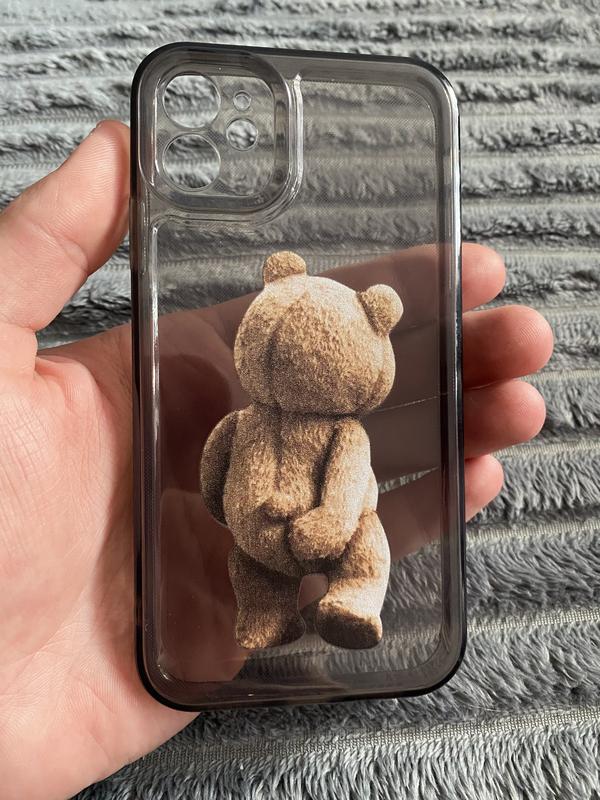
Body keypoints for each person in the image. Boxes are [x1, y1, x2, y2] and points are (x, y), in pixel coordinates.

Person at [0, 120, 554, 800]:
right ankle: (270, 614)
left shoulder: (348, 436)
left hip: (331, 530)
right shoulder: (246, 421)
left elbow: (348, 488)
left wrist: (328, 521)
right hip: (257, 541)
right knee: (250, 571)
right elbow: (217, 464)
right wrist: (221, 503)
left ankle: (352, 599)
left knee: (366, 548)